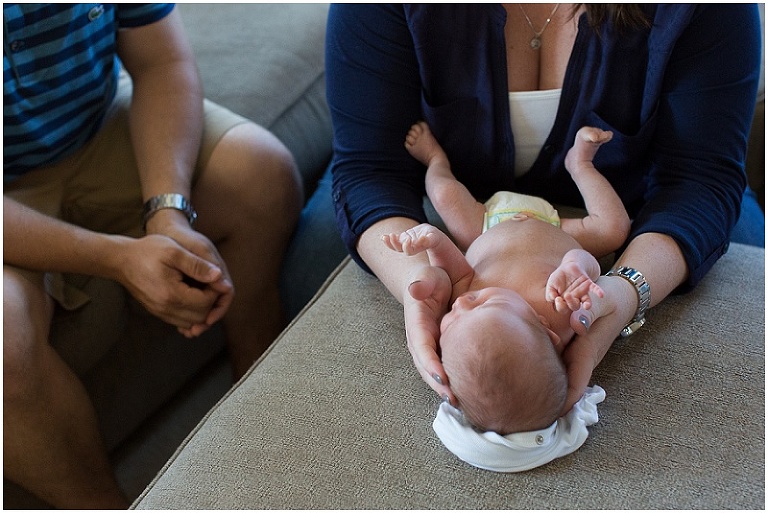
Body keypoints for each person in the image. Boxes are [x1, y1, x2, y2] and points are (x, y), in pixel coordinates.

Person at [325, 5, 762, 414]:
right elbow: (370, 167)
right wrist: (414, 277)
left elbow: (698, 180)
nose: (461, 308)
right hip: (468, 212)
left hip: (656, 213)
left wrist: (628, 292)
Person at [4, 4, 302, 509]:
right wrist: (117, 257)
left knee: (261, 174)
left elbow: (162, 62)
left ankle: (260, 413)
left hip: (98, 123)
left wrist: (168, 213)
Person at [383, 122, 627, 434]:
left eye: (450, 325)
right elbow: (592, 274)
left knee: (444, 194)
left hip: (484, 225)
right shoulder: (558, 308)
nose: (460, 307)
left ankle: (435, 160)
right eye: (481, 305)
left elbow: (457, 269)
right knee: (614, 229)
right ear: (545, 329)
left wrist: (432, 240)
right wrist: (576, 267)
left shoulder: (462, 305)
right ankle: (580, 164)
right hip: (556, 228)